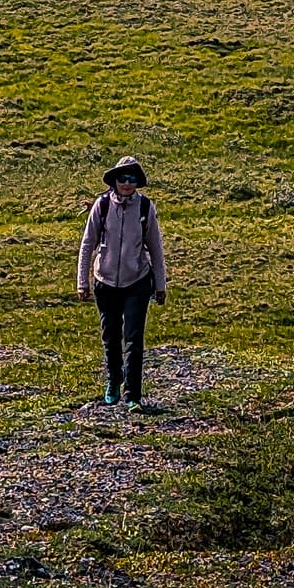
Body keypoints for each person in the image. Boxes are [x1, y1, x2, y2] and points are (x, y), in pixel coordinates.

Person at [76, 155, 169, 408]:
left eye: (132, 179)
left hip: (137, 281)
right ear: (114, 181)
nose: (127, 183)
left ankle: (133, 394)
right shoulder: (102, 205)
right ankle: (113, 381)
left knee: (134, 339)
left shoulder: (145, 208)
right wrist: (82, 282)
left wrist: (160, 285)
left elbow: (156, 249)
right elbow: (87, 244)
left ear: (137, 182)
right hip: (104, 282)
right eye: (122, 178)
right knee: (111, 336)